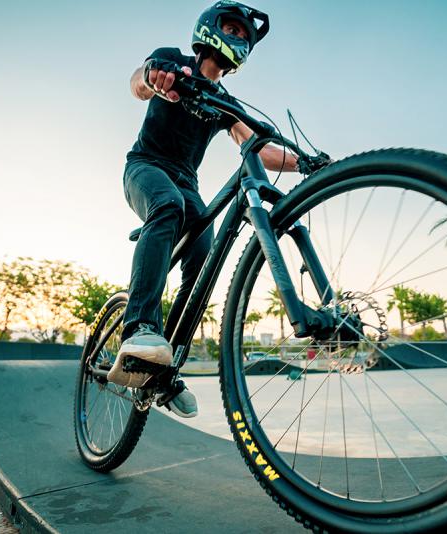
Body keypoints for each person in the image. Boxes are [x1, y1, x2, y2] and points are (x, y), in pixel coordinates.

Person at [107, 1, 299, 418]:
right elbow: (137, 82)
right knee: (168, 207)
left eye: (244, 37)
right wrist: (154, 79)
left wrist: (307, 162)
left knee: (204, 249)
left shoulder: (224, 102)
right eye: (232, 29)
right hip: (145, 167)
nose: (237, 39)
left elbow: (260, 148)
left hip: (186, 182)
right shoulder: (173, 62)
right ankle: (139, 328)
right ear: (210, 29)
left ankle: (165, 365)